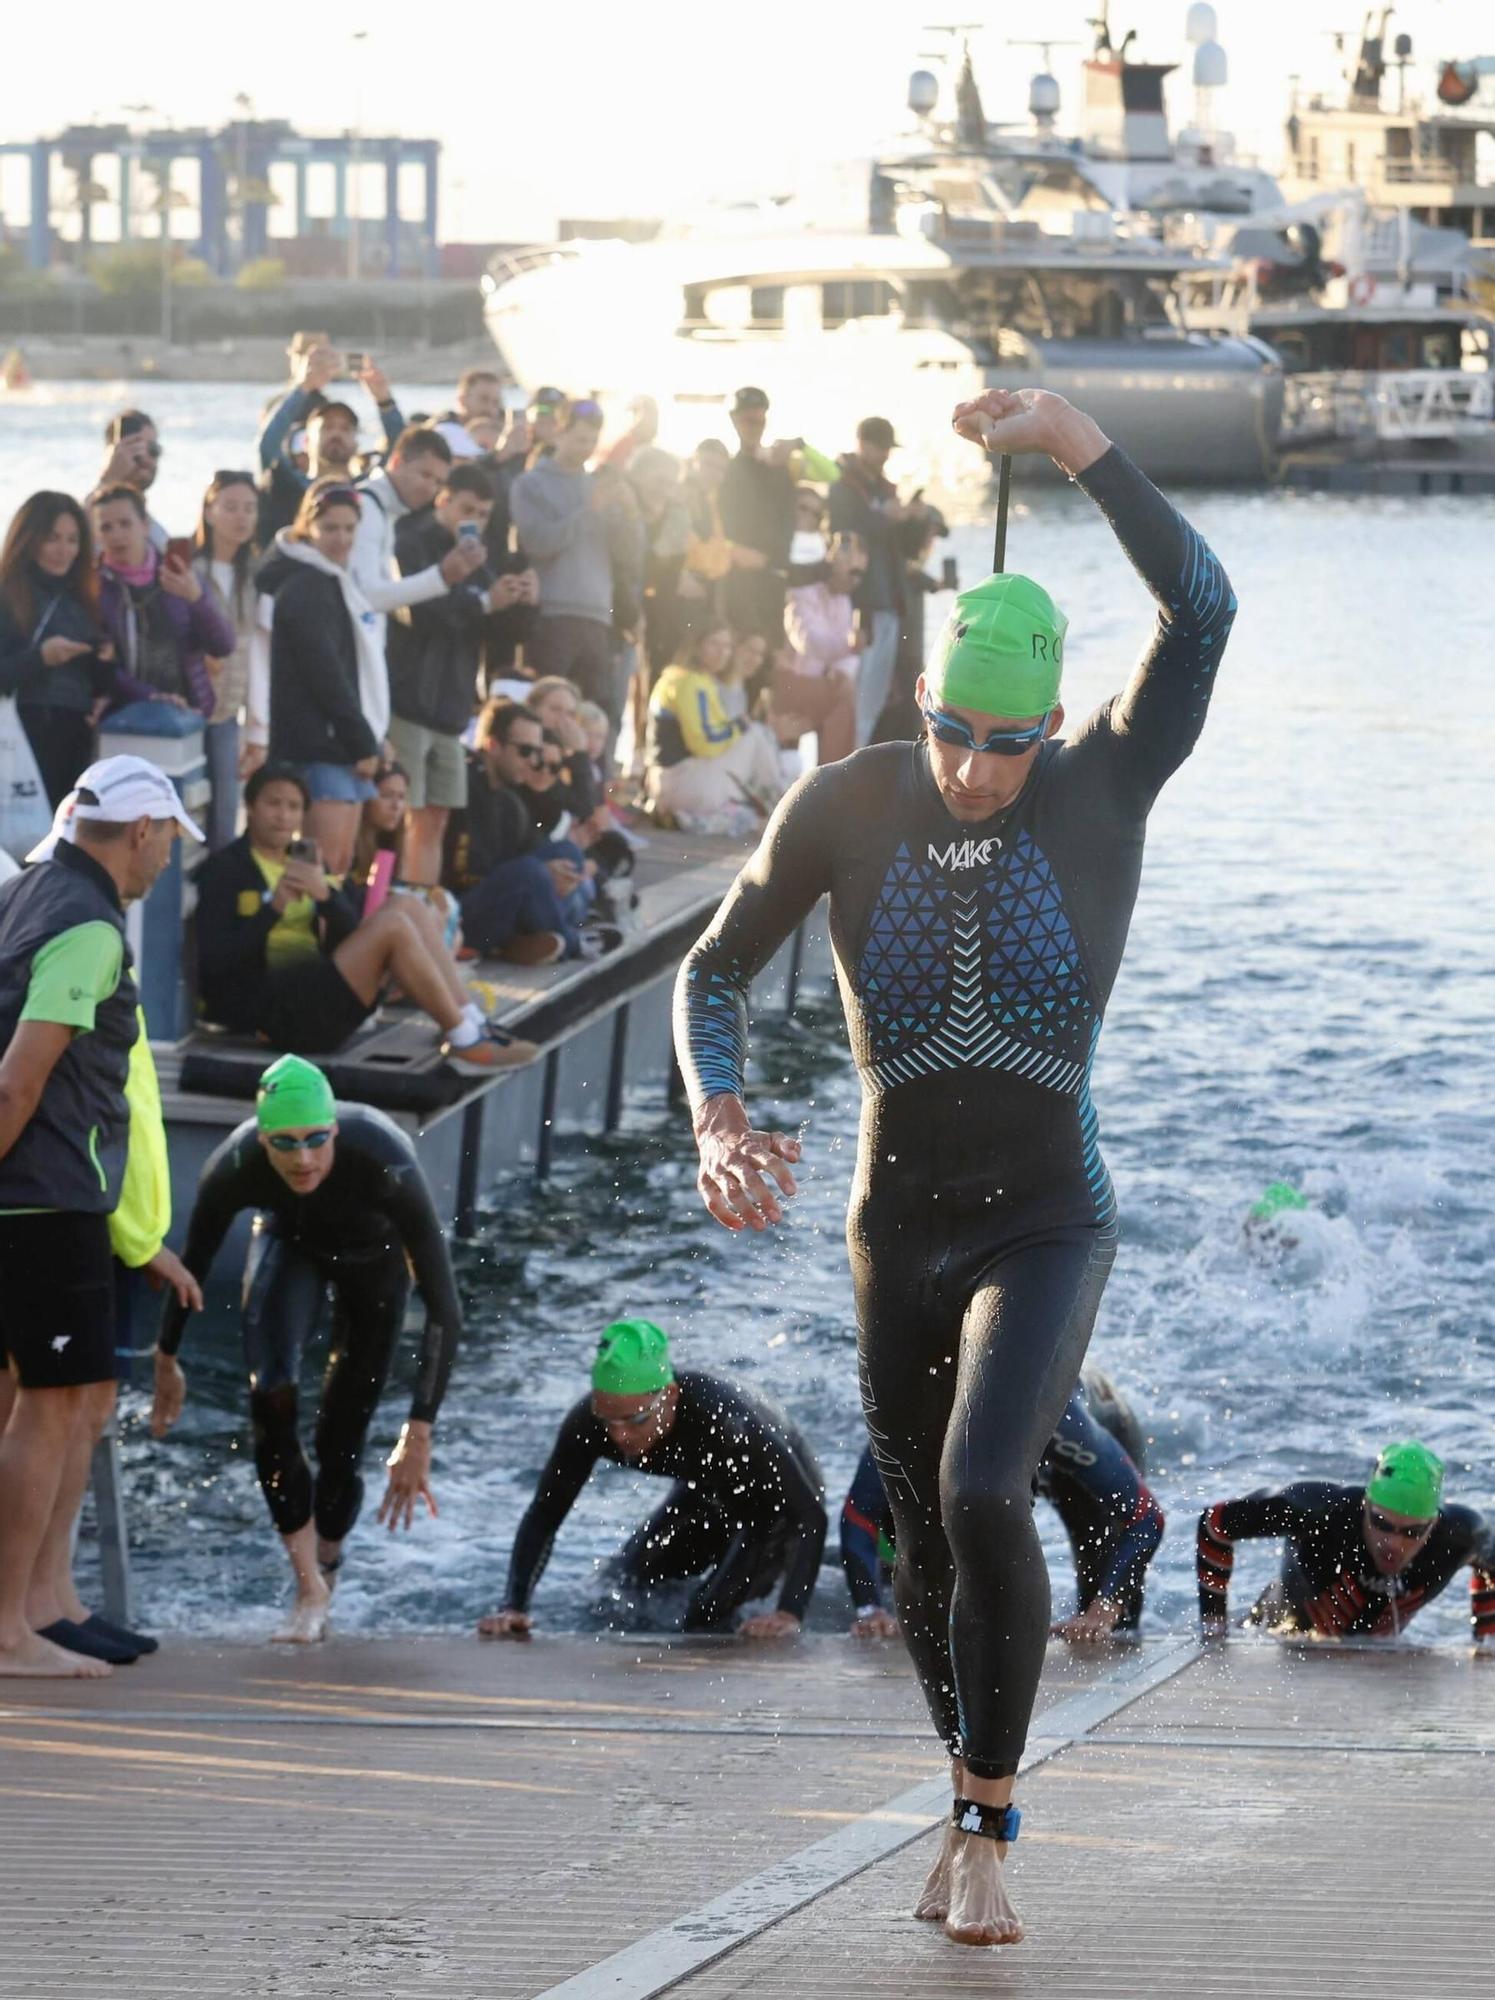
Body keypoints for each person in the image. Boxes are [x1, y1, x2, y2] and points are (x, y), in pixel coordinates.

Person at [674, 385, 1236, 1948]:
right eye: (951, 732)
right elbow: (712, 975)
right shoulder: (844, 803)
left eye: (1007, 741)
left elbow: (1201, 605)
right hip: (892, 1224)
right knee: (922, 1538)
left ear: (1047, 724)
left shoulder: (1104, 784)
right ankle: (962, 1778)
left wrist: (1071, 442)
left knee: (989, 1483)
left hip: (1050, 1217)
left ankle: (991, 1818)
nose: (977, 767)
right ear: (916, 696)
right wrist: (718, 1115)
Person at [0, 755, 201, 1677]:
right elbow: (17, 1082)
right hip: (41, 1196)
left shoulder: (35, 891)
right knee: (46, 1410)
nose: (168, 859)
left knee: (72, 1399)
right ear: (141, 831)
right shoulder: (85, 927)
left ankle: (48, 1603)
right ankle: (9, 1627)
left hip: (53, 1193)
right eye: (168, 838)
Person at [152, 1057, 466, 1643]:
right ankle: (307, 1587)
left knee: (340, 1437)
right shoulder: (236, 1164)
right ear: (262, 1138)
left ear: (336, 1132)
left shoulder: (385, 1158)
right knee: (269, 1399)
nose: (302, 1158)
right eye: (285, 1143)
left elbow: (445, 1307)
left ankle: (327, 1563)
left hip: (375, 1263)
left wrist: (418, 1430)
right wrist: (166, 1358)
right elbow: (190, 1265)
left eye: (316, 1140)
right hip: (289, 1245)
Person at [477, 1319, 827, 1641]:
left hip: (775, 1509)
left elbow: (810, 1514)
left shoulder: (725, 1419)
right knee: (624, 1586)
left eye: (637, 1420)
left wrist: (788, 1612)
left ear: (670, 1396)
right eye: (608, 1420)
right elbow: (544, 1514)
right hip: (707, 1490)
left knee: (703, 1619)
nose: (621, 1436)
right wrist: (514, 1606)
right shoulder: (589, 1424)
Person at [193, 761, 521, 1070]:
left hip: (314, 990)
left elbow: (349, 936)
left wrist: (325, 897)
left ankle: (469, 1019)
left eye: (293, 807)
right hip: (270, 1011)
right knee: (392, 924)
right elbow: (218, 964)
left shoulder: (305, 861)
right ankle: (463, 1037)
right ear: (250, 806)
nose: (282, 816)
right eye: (273, 804)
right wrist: (273, 910)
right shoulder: (227, 870)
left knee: (406, 905)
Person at [840, 1372, 1165, 1642]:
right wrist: (870, 1610)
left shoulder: (1060, 1422)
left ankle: (1116, 1625)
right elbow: (858, 1514)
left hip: (1092, 1428)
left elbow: (1148, 1518)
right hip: (993, 1423)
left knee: (1104, 1611)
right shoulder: (914, 1417)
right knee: (937, 1546)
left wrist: (1105, 1607)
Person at [1198, 1440, 1495, 1642]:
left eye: (1411, 1532)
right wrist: (1215, 1628)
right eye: (1381, 1523)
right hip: (1275, 1634)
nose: (1393, 1543)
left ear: (1433, 1524)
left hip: (1374, 1658)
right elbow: (1216, 1522)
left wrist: (1485, 1642)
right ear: (1366, 1505)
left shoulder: (1458, 1536)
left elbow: (1490, 1568)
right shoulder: (1321, 1512)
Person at [388, 463, 527, 887]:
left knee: (437, 821)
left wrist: (523, 602)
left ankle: (425, 912)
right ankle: (392, 914)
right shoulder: (409, 543)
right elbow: (420, 614)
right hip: (408, 704)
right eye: (468, 509)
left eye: (484, 514)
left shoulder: (478, 559)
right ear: (442, 500)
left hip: (450, 712)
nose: (476, 522)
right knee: (399, 821)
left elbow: (498, 633)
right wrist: (482, 602)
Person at [249, 481, 384, 874]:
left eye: (348, 529)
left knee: (342, 866)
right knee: (320, 870)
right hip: (318, 746)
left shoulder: (334, 581)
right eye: (330, 528)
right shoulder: (306, 585)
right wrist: (361, 739)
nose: (341, 539)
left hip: (340, 742)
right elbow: (324, 672)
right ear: (308, 527)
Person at [510, 400, 628, 716]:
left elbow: (624, 554)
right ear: (559, 433)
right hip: (551, 615)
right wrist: (590, 511)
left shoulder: (597, 485)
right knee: (546, 712)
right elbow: (536, 542)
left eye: (591, 441)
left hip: (598, 617)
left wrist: (627, 514)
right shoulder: (530, 484)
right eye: (579, 439)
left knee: (592, 715)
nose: (585, 448)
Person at [0, 492, 113, 809]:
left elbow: (98, 684)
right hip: (21, 737)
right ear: (29, 538)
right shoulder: (9, 596)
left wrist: (105, 662)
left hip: (74, 739)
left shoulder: (83, 597)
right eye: (52, 538)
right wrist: (41, 659)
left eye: (72, 540)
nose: (63, 550)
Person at [93, 486, 233, 720]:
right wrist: (151, 697)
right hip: (124, 715)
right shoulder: (96, 587)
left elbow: (223, 645)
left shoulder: (180, 576)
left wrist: (197, 600)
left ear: (145, 525)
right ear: (97, 535)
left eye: (125, 523)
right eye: (106, 527)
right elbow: (100, 666)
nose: (116, 535)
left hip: (188, 712)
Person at [828, 416, 925, 747]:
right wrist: (887, 517)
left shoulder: (883, 489)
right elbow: (843, 534)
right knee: (858, 700)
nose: (886, 455)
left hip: (889, 604)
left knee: (874, 699)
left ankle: (855, 764)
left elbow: (904, 548)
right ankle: (848, 769)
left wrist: (913, 518)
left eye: (888, 449)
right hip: (860, 606)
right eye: (881, 448)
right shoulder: (841, 487)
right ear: (863, 445)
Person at [646, 621, 785, 830]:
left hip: (669, 784)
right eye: (714, 644)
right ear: (696, 646)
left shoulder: (681, 677)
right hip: (683, 782)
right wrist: (739, 727)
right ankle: (785, 807)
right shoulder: (690, 682)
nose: (723, 653)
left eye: (727, 646)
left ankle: (773, 808)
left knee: (756, 734)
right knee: (756, 735)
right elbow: (704, 744)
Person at [257, 342, 405, 538]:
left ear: (356, 443)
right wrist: (305, 387)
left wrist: (384, 401)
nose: (336, 434)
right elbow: (268, 447)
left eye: (345, 428)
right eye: (327, 427)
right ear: (307, 442)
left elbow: (402, 453)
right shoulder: (288, 485)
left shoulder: (368, 489)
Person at [191, 469, 260, 849]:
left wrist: (257, 730)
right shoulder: (191, 570)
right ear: (209, 510)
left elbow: (256, 653)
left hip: (230, 717)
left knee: (224, 824)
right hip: (193, 710)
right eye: (231, 507)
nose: (242, 517)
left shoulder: (254, 575)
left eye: (250, 508)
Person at [775, 531, 865, 767]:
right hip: (792, 680)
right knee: (842, 705)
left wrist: (844, 672)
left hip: (821, 685)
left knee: (845, 695)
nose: (857, 581)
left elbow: (848, 654)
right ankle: (835, 774)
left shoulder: (843, 600)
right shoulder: (802, 593)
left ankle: (834, 775)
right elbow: (809, 643)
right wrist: (849, 647)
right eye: (853, 572)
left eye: (861, 575)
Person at [718, 386, 798, 641]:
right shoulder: (727, 471)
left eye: (760, 420)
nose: (754, 427)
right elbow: (717, 521)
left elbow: (832, 474)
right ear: (734, 421)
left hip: (775, 576)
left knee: (770, 655)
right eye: (748, 420)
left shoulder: (780, 466)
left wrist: (799, 444)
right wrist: (733, 549)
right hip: (739, 580)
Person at [96, 410, 168, 550]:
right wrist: (109, 480)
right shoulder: (88, 516)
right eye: (136, 448)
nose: (146, 459)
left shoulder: (155, 532)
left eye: (153, 449)